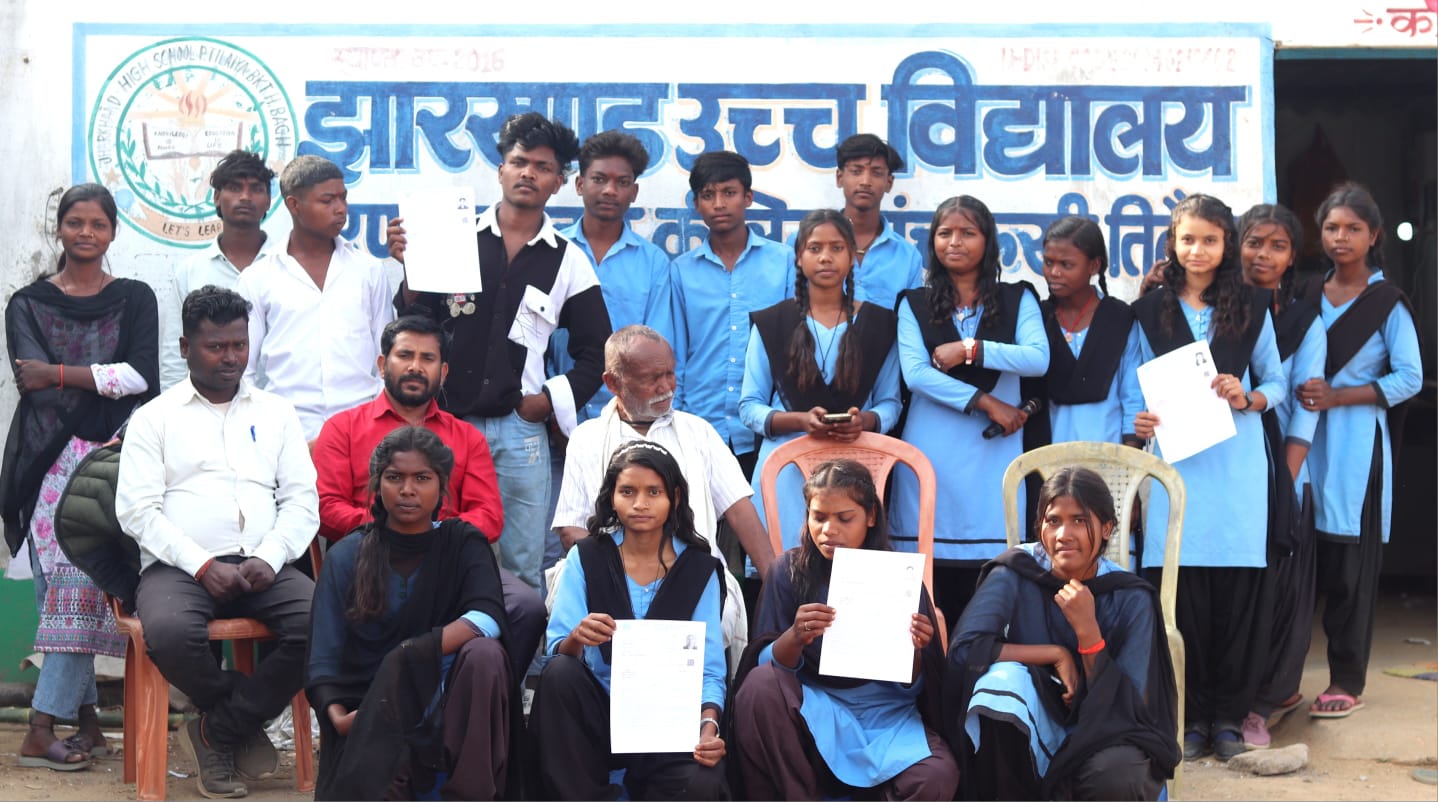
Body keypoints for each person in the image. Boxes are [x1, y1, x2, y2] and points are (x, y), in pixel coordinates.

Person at [389, 111, 611, 591]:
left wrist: (546, 401)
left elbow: (599, 353)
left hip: (522, 433)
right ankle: (445, 665)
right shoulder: (453, 237)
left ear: (558, 182)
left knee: (522, 568)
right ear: (500, 170)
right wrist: (411, 269)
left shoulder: (567, 259)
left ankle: (521, 668)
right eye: (519, 161)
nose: (529, 172)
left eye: (543, 166)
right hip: (445, 423)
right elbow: (414, 327)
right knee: (436, 556)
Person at [116, 286, 317, 798]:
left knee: (322, 621)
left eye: (239, 345)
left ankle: (215, 732)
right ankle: (236, 718)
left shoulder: (277, 413)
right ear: (185, 347)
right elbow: (137, 510)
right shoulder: (154, 418)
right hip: (178, 568)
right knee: (167, 631)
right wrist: (203, 565)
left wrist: (271, 557)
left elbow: (301, 502)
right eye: (216, 347)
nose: (231, 358)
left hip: (262, 564)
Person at [0, 183, 158, 771]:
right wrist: (95, 379)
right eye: (75, 222)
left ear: (113, 232)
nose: (86, 233)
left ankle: (79, 723)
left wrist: (61, 372)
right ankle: (43, 730)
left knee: (84, 587)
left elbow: (142, 376)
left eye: (98, 224)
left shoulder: (136, 297)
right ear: (59, 229)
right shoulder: (27, 302)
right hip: (48, 461)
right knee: (69, 588)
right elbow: (29, 382)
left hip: (113, 460)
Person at [1130, 193, 1286, 761]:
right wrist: (1138, 419)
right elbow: (1131, 383)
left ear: (1227, 245)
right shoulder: (1149, 309)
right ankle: (1189, 718)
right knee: (1181, 600)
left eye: (1210, 239)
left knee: (1235, 603)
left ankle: (1226, 718)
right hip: (1175, 467)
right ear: (1173, 242)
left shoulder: (1251, 305)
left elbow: (1279, 382)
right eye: (1187, 238)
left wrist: (1249, 396)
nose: (1197, 250)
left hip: (1237, 471)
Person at [311, 315, 545, 685]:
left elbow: (489, 516)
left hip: (450, 559)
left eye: (428, 358)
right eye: (405, 355)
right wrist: (395, 532)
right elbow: (325, 507)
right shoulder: (344, 428)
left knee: (526, 607)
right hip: (370, 559)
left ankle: (477, 696)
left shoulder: (466, 436)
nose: (416, 367)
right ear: (382, 363)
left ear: (444, 370)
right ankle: (386, 701)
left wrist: (435, 537)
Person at [946, 467, 1179, 801]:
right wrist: (1055, 654)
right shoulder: (1016, 571)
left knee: (1120, 774)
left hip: (1102, 735)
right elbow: (965, 652)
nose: (1063, 534)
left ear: (1107, 528)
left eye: (1080, 521)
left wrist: (1088, 635)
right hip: (1030, 726)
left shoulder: (1130, 596)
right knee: (997, 685)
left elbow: (1133, 709)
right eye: (1053, 520)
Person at [307, 426, 514, 800]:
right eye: (394, 478)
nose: (407, 490)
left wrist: (410, 655)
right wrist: (338, 718)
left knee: (487, 654)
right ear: (377, 484)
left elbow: (487, 616)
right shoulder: (348, 555)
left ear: (442, 487)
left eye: (422, 478)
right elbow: (324, 654)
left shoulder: (462, 543)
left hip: (446, 704)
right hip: (369, 711)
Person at [732, 459, 957, 801]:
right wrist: (794, 637)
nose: (828, 530)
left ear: (870, 517)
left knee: (937, 775)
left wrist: (916, 649)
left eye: (844, 518)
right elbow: (764, 667)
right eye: (818, 517)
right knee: (759, 687)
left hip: (886, 719)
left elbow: (919, 688)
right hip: (813, 711)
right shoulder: (788, 571)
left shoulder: (901, 577)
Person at [531, 440, 728, 800]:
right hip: (598, 718)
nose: (640, 503)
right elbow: (559, 651)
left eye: (654, 491)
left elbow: (710, 670)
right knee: (559, 674)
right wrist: (578, 637)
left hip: (668, 720)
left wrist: (708, 726)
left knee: (704, 783)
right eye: (628, 491)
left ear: (676, 498)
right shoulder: (586, 557)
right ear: (612, 498)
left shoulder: (700, 569)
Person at [1294, 182, 1421, 720]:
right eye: (1330, 228)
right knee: (1298, 560)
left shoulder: (1386, 303)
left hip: (1354, 446)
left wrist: (1340, 395)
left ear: (1374, 236)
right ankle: (1282, 680)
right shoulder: (1304, 291)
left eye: (1352, 229)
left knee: (1349, 565)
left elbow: (1410, 376)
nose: (1340, 238)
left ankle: (1347, 678)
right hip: (1302, 437)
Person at [891, 195, 1049, 626]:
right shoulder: (915, 303)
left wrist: (971, 349)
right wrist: (985, 401)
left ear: (988, 241)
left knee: (994, 584)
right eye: (945, 233)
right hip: (932, 456)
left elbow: (1037, 359)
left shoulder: (1018, 298)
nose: (954, 242)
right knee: (927, 591)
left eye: (967, 233)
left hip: (992, 459)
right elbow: (917, 374)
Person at [550, 325, 772, 630]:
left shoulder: (698, 432)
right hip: (612, 576)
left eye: (670, 373)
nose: (666, 387)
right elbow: (571, 530)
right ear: (613, 383)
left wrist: (776, 585)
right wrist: (629, 573)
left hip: (692, 573)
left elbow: (739, 510)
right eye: (651, 379)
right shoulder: (586, 438)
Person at [740, 209, 901, 550]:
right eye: (814, 248)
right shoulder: (773, 323)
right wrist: (800, 421)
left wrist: (866, 420)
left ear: (853, 258)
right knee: (786, 571)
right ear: (799, 257)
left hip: (856, 468)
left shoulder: (879, 324)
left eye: (837, 248)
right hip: (784, 469)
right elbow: (749, 407)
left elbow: (891, 403)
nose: (825, 257)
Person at [1236, 203, 1326, 748]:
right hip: (1227, 473)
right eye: (1254, 242)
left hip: (1282, 474)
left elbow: (1305, 404)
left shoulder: (1302, 321)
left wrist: (1283, 485)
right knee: (1232, 592)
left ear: (1293, 257)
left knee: (1279, 594)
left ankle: (1262, 704)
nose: (1263, 255)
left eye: (1277, 246)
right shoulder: (1216, 310)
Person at [236, 154, 393, 442]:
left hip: (362, 429)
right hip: (286, 431)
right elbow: (244, 367)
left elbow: (387, 356)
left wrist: (378, 422)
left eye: (343, 199)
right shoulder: (257, 278)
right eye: (327, 200)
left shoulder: (369, 271)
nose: (341, 209)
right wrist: (258, 427)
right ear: (294, 205)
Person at [669, 150, 794, 476]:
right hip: (699, 422)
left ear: (748, 198)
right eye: (708, 195)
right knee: (699, 525)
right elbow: (676, 353)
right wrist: (675, 419)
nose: (719, 204)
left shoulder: (783, 262)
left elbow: (796, 346)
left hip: (765, 427)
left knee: (763, 524)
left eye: (729, 193)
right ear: (696, 204)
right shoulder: (682, 271)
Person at [554, 129, 674, 423]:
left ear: (633, 192)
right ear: (580, 184)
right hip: (555, 411)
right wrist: (551, 407)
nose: (610, 190)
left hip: (629, 416)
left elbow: (657, 347)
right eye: (599, 179)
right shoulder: (553, 251)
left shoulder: (653, 262)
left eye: (622, 182)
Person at [161, 149, 280, 390]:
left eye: (256, 189)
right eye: (235, 188)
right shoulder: (191, 272)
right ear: (216, 197)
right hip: (203, 409)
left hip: (273, 411)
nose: (245, 197)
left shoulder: (286, 268)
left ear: (268, 200)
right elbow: (174, 357)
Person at [1024, 216, 1144, 448]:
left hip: (1110, 460)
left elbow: (1132, 394)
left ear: (1094, 265)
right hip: (1047, 461)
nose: (1054, 273)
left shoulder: (1120, 318)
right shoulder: (1036, 317)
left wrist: (1131, 454)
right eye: (1048, 263)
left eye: (1066, 265)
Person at [828, 133, 924, 310]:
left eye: (876, 173)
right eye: (856, 171)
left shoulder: (907, 257)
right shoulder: (805, 243)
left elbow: (910, 322)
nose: (865, 182)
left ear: (889, 182)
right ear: (840, 178)